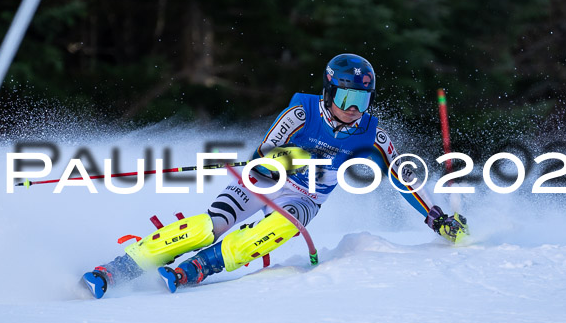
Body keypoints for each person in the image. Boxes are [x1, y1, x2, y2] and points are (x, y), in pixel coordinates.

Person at [82, 54, 469, 299]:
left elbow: (404, 178)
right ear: (329, 91)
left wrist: (437, 219)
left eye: (362, 102)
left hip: (304, 199)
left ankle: (200, 267)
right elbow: (264, 157)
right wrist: (304, 156)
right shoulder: (301, 113)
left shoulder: (372, 134)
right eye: (347, 99)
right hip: (265, 182)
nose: (354, 109)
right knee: (208, 225)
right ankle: (120, 268)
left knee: (283, 225)